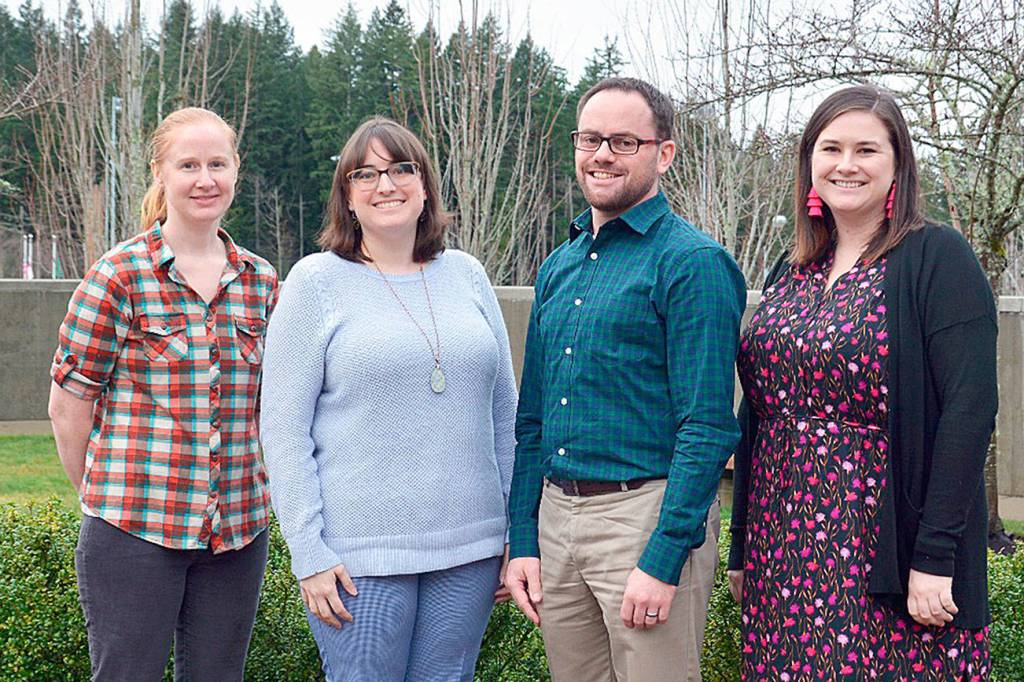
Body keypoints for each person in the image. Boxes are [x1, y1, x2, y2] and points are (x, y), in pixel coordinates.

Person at [727, 84, 995, 679]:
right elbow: (758, 415)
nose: (846, 165)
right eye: (831, 148)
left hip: (881, 542)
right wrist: (743, 541)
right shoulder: (794, 267)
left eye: (867, 150)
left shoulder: (937, 257)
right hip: (784, 541)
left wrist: (934, 555)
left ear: (898, 163)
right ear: (809, 163)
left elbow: (970, 411)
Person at [504, 77, 747, 681]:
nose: (602, 154)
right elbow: (532, 418)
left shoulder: (692, 264)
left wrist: (664, 556)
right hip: (557, 520)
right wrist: (524, 538)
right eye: (590, 138)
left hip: (642, 517)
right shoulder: (558, 266)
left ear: (663, 153)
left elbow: (708, 426)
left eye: (623, 141)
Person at [259, 117, 517, 682]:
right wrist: (309, 550)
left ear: (425, 187)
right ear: (347, 198)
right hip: (359, 558)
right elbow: (282, 431)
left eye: (402, 169)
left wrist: (513, 532)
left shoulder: (468, 277)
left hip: (470, 549)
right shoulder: (315, 283)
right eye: (367, 174)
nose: (387, 184)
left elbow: (505, 417)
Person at [47, 107, 277, 680]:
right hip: (133, 531)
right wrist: (106, 498)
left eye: (217, 164)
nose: (205, 179)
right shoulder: (119, 276)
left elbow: (278, 407)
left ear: (235, 173)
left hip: (237, 534)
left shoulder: (262, 282)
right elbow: (67, 405)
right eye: (189, 164)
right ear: (161, 173)